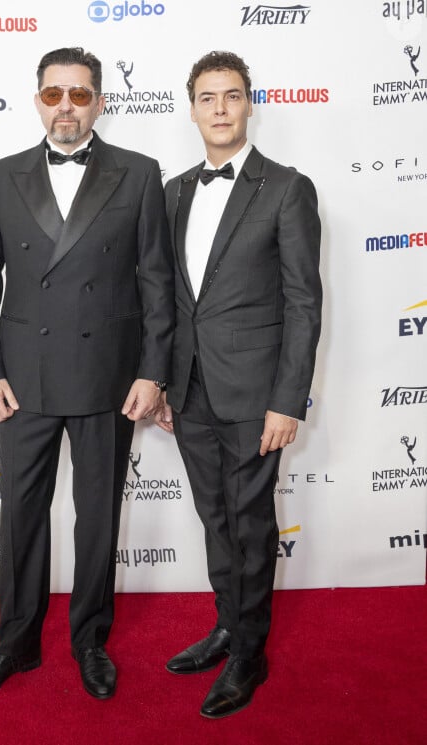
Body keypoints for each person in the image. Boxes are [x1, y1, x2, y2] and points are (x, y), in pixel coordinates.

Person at [0, 47, 174, 701]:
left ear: (100, 102)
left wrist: (153, 370)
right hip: (22, 380)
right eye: (54, 94)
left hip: (108, 375)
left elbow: (156, 284)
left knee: (97, 517)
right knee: (21, 516)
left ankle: (89, 641)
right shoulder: (1, 177)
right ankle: (15, 644)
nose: (67, 107)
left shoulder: (138, 174)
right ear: (38, 100)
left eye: (80, 95)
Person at [155, 51, 322, 719]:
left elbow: (304, 301)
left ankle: (250, 651)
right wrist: (166, 382)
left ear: (250, 103)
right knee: (215, 518)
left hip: (256, 395)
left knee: (250, 522)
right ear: (191, 108)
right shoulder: (172, 193)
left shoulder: (286, 187)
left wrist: (288, 398)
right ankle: (228, 623)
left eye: (232, 95)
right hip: (190, 388)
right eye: (207, 97)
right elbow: (168, 299)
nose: (220, 107)